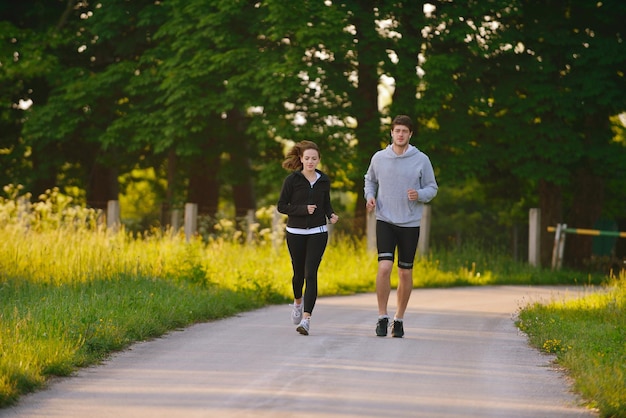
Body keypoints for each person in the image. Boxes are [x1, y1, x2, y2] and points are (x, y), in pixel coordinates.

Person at [364, 115, 438, 337]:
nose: (400, 134)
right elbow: (370, 179)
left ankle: (399, 319)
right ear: (391, 133)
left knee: (405, 272)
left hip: (410, 222)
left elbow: (432, 187)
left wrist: (420, 194)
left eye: (404, 131)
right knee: (384, 267)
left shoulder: (421, 159)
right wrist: (369, 196)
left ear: (410, 134)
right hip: (385, 219)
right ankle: (382, 316)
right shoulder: (379, 157)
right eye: (397, 131)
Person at [277, 140, 339, 335]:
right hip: (295, 232)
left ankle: (306, 320)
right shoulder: (292, 180)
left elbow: (326, 203)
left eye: (314, 158)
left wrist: (331, 215)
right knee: (298, 274)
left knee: (310, 274)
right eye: (307, 158)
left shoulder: (324, 180)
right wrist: (303, 210)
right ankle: (297, 303)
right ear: (301, 160)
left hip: (318, 232)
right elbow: (282, 206)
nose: (310, 161)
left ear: (319, 159)